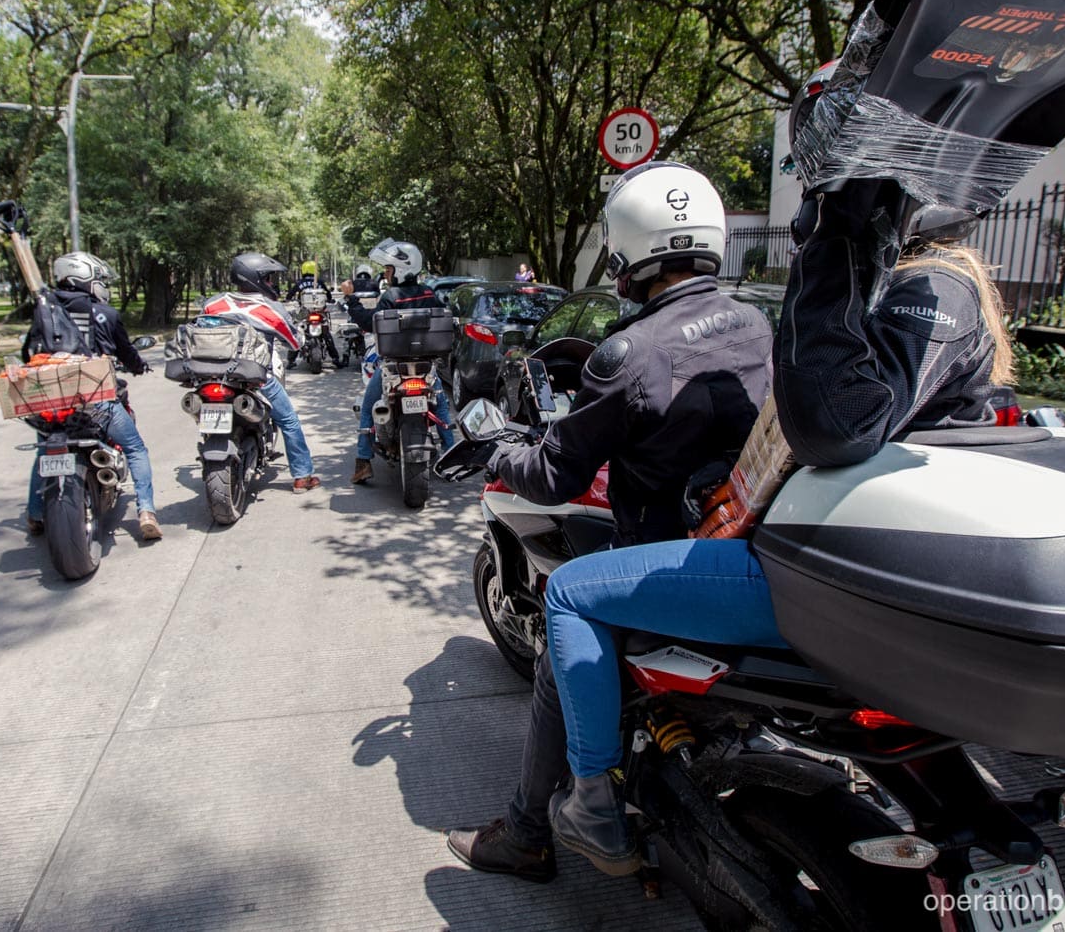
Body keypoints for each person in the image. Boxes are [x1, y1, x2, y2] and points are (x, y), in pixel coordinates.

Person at [537, 69, 1018, 876]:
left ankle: (590, 806)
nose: (815, 196)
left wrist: (835, 244)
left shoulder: (921, 291)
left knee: (570, 592)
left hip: (815, 568)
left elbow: (836, 420)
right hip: (853, 555)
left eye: (835, 170)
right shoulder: (905, 294)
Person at [444, 161, 774, 881]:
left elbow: (554, 473)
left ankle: (540, 829)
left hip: (677, 558)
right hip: (758, 541)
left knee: (567, 617)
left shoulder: (628, 353)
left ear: (629, 251)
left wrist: (503, 445)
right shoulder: (755, 323)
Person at [24, 251, 161, 541]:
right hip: (95, 401)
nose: (102, 285)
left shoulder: (43, 308)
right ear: (84, 278)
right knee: (136, 448)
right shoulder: (105, 314)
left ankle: (35, 514)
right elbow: (126, 352)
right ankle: (146, 511)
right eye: (98, 280)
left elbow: (29, 350)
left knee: (44, 449)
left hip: (49, 400)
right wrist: (139, 366)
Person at [198, 252, 322, 493]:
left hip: (210, 376)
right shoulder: (269, 310)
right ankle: (302, 476)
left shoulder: (214, 303)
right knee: (288, 420)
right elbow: (295, 343)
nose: (271, 284)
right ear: (255, 278)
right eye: (268, 279)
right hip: (253, 378)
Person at [348, 239, 457, 484]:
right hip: (425, 368)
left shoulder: (391, 296)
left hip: (392, 367)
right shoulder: (429, 293)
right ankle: (451, 458)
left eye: (388, 268)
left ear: (401, 268)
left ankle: (363, 461)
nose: (385, 273)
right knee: (440, 409)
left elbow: (369, 322)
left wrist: (352, 300)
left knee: (368, 407)